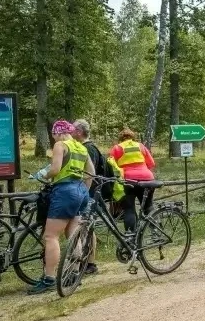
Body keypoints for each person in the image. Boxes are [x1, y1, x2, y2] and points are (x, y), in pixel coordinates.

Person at [27, 120, 95, 295]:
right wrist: (84, 192)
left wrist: (42, 176)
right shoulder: (81, 147)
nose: (53, 137)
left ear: (58, 132)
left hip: (64, 191)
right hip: (80, 190)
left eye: (53, 134)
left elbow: (55, 169)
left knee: (50, 236)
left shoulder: (60, 145)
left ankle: (49, 278)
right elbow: (91, 173)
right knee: (73, 234)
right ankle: (74, 274)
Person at [72, 119, 104, 275]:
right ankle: (89, 262)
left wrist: (84, 193)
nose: (71, 133)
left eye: (73, 130)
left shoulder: (88, 149)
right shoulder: (88, 148)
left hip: (89, 193)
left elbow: (89, 174)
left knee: (87, 227)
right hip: (89, 192)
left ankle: (90, 263)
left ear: (79, 132)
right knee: (88, 226)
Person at [110, 128, 156, 234]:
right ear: (133, 137)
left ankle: (131, 237)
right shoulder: (140, 146)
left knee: (129, 209)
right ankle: (156, 233)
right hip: (147, 178)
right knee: (148, 207)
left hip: (128, 180)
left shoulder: (117, 148)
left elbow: (111, 165)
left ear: (121, 139)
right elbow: (151, 163)